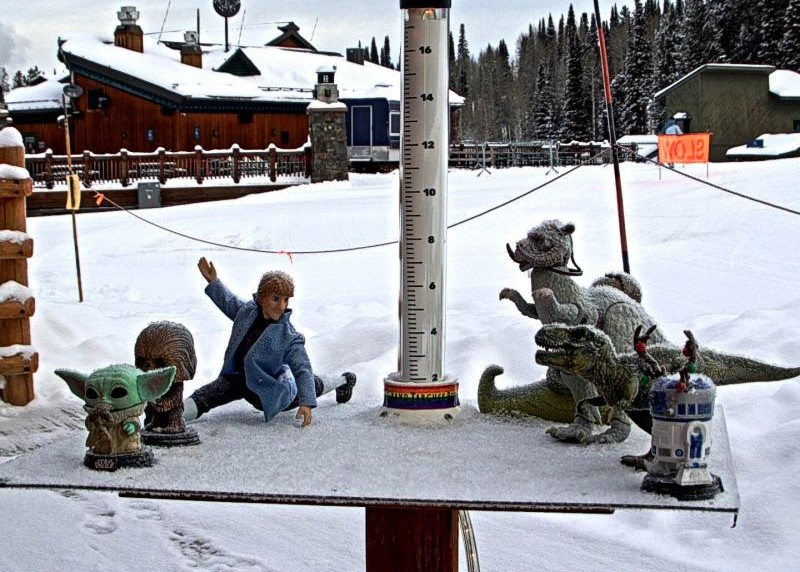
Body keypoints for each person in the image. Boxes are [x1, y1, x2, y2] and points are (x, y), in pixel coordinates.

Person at [184, 257, 356, 427]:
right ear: (261, 297)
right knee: (207, 395)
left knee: (313, 383)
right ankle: (172, 415)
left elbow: (302, 369)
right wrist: (213, 282)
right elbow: (228, 302)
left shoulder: (289, 336)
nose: (282, 306)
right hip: (239, 380)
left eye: (286, 300)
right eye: (275, 298)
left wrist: (306, 402)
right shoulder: (247, 312)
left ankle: (343, 380)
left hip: (274, 390)